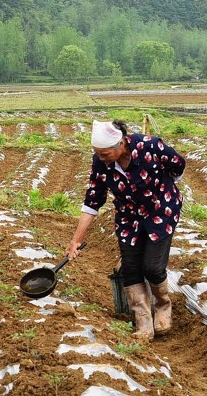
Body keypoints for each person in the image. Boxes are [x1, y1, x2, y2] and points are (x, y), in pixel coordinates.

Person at [66, 120, 185, 339]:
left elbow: (178, 164)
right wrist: (76, 240)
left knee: (153, 267)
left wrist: (166, 185)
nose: (101, 158)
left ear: (121, 144)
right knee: (130, 268)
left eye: (104, 154)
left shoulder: (150, 146)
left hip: (161, 210)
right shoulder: (101, 163)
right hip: (129, 216)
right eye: (97, 154)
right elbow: (92, 201)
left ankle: (163, 306)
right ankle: (143, 323)